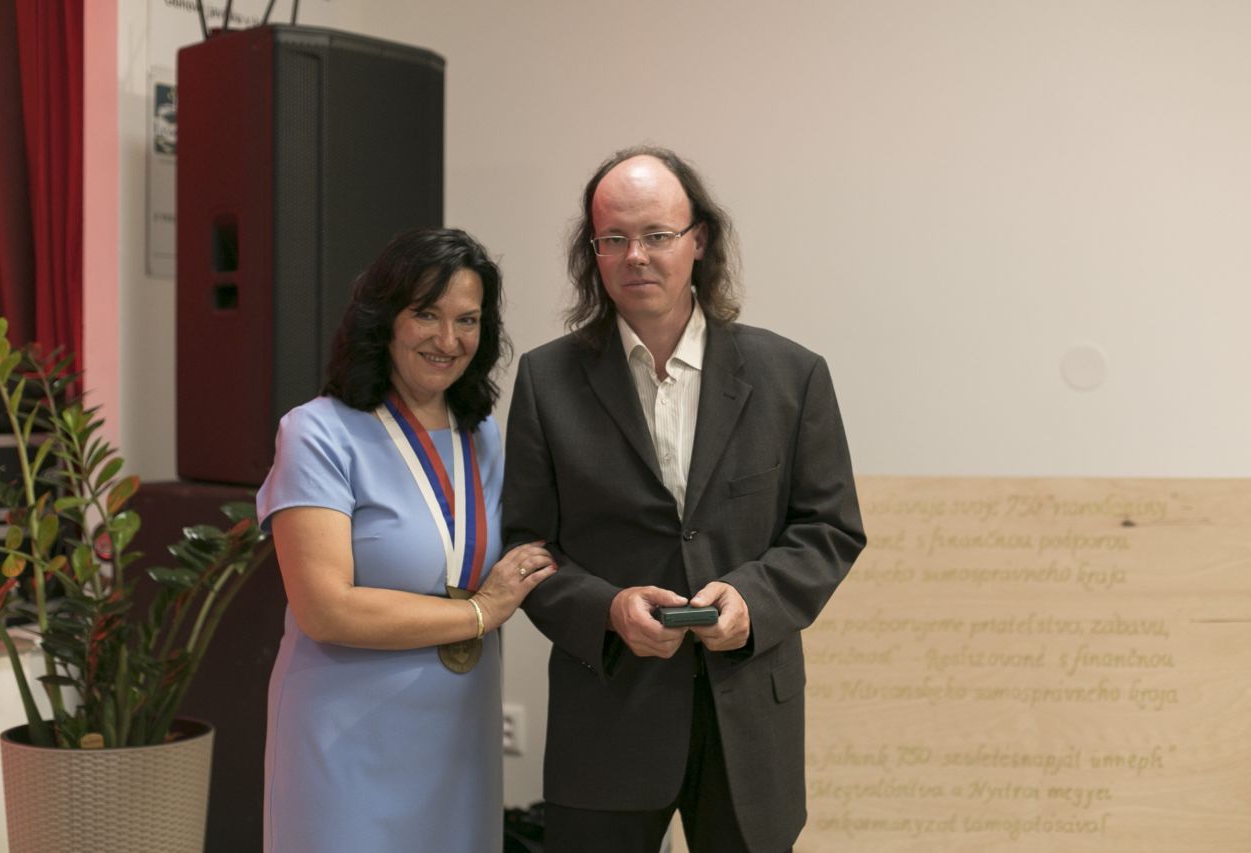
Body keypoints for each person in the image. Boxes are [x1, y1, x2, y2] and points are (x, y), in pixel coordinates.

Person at [502, 146, 866, 853]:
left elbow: (829, 528)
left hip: (748, 720)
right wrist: (608, 609)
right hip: (607, 717)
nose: (635, 256)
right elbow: (527, 547)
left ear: (699, 240)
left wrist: (753, 600)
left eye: (657, 235)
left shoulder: (792, 375)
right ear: (593, 252)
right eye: (613, 238)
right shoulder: (547, 381)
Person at [256, 228, 556, 853]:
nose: (448, 340)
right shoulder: (317, 434)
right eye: (426, 314)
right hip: (345, 742)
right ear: (384, 319)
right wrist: (480, 612)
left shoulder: (482, 436)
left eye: (467, 320)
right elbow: (324, 608)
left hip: (460, 738)